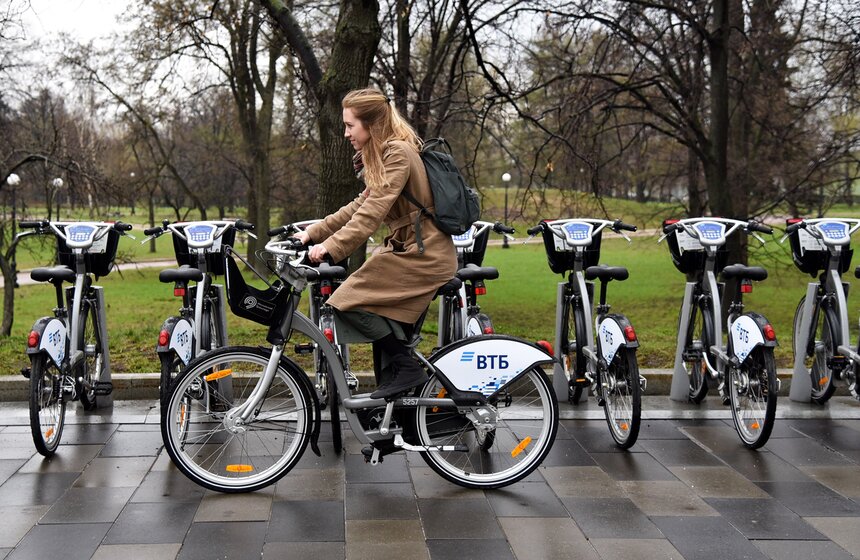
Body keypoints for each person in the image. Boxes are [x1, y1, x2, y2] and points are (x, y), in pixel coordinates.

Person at [295, 88, 457, 399]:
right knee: (372, 312)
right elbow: (357, 206)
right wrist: (312, 233)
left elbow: (371, 214)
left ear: (371, 125)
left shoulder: (397, 153)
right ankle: (392, 407)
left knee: (345, 299)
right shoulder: (388, 155)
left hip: (424, 257)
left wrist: (329, 248)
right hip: (410, 251)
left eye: (350, 125)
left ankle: (406, 367)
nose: (346, 134)